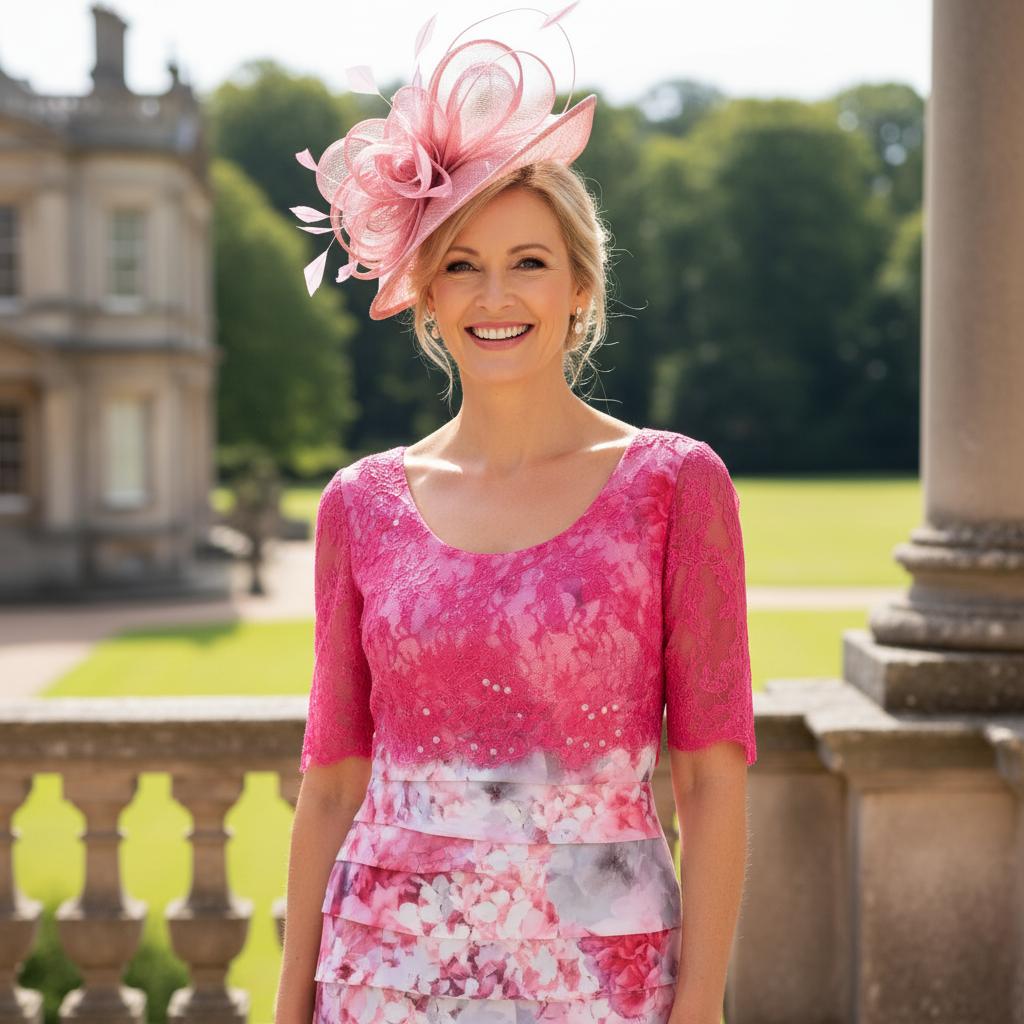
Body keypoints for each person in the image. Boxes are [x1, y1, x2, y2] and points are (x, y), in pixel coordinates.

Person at [275, 8, 757, 1024]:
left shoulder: (675, 486)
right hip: (384, 966)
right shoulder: (358, 504)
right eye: (461, 263)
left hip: (600, 969)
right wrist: (289, 1007)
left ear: (581, 287)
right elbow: (330, 784)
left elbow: (709, 779)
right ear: (425, 294)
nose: (496, 293)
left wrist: (702, 1000)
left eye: (529, 261)